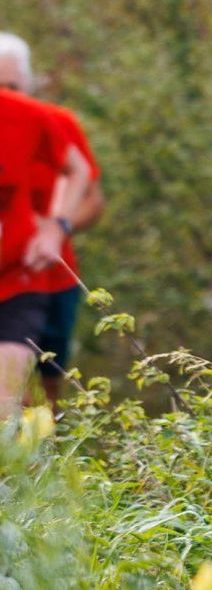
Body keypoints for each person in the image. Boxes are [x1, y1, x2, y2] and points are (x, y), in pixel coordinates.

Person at [0, 35, 106, 402]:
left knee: (46, 384)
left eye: (12, 86)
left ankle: (47, 451)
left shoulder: (51, 122)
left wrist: (56, 229)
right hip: (12, 267)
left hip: (52, 275)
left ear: (28, 84)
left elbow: (92, 197)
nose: (7, 94)